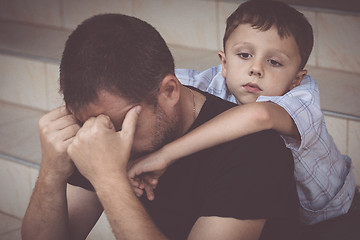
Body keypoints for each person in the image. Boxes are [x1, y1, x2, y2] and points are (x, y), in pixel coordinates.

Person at [21, 12, 300, 240]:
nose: (108, 138)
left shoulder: (254, 151)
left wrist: (108, 180)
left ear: (169, 91)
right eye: (91, 124)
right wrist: (51, 173)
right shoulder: (102, 126)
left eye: (122, 124)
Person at [127, 0, 358, 231]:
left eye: (274, 62)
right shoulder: (217, 82)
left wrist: (166, 155)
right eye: (245, 55)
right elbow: (170, 83)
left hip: (333, 213)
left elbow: (259, 116)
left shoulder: (302, 97)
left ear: (296, 79)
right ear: (224, 63)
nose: (256, 69)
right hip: (280, 205)